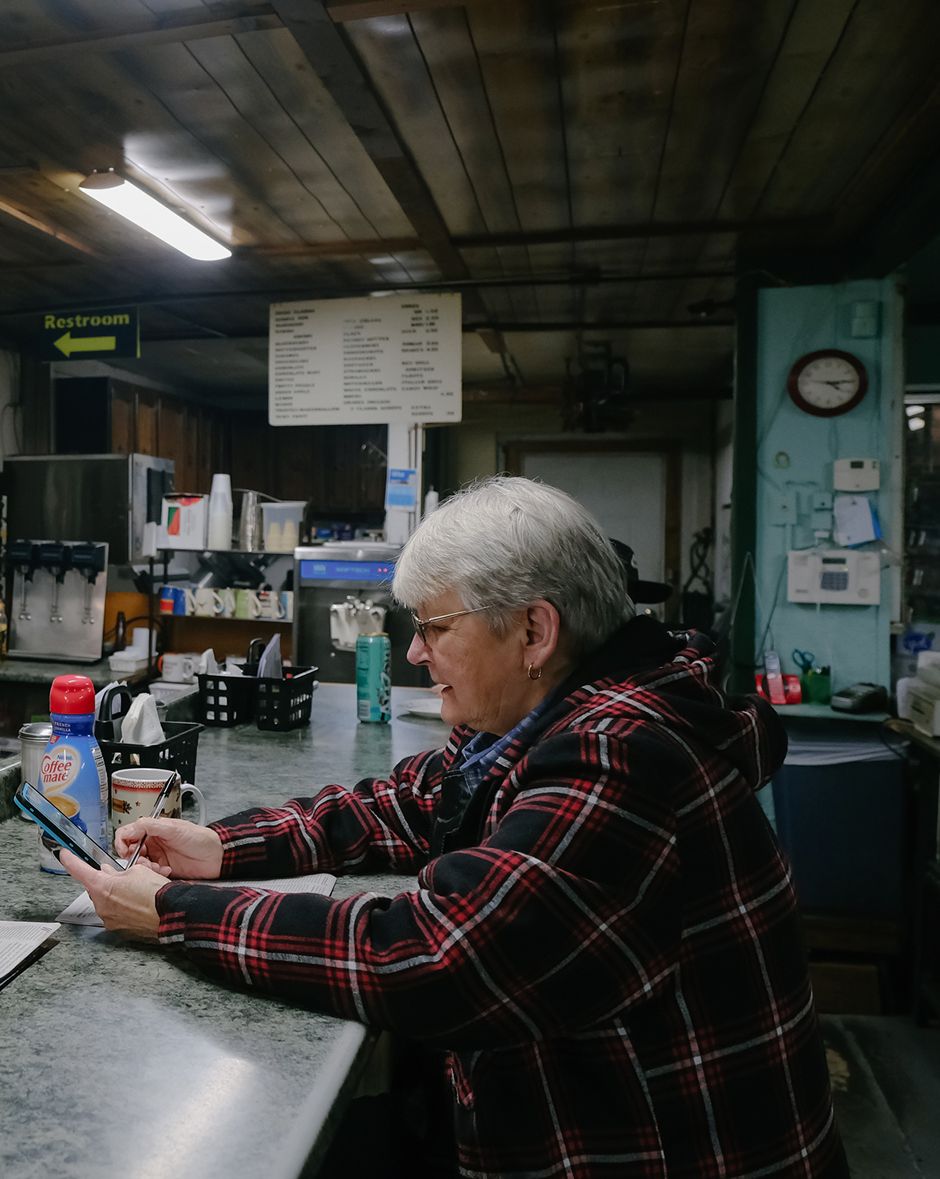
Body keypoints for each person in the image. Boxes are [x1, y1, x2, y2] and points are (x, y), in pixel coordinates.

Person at [65, 476, 845, 1179]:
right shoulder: (543, 717)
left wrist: (172, 915)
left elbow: (434, 959)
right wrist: (225, 846)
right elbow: (409, 802)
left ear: (535, 633)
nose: (413, 651)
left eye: (435, 628)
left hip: (654, 1145)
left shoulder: (621, 754)